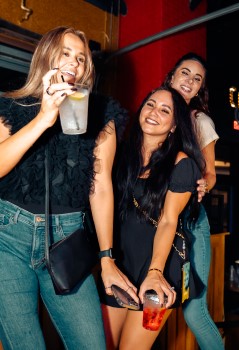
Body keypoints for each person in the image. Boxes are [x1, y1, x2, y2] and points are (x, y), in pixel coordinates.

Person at [0, 26, 129, 349]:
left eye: (82, 58)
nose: (75, 62)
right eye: (66, 53)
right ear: (45, 56)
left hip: (68, 239)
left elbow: (100, 189)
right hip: (7, 237)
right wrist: (44, 117)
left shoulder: (102, 116)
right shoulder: (11, 106)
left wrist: (107, 257)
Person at [99, 86, 205, 349]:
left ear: (174, 126)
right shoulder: (119, 153)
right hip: (119, 266)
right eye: (150, 104)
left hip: (159, 271)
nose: (154, 112)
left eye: (164, 110)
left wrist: (155, 272)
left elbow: (169, 220)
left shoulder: (182, 165)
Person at [163, 52, 224, 350]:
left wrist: (203, 184)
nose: (189, 81)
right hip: (156, 220)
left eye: (197, 78)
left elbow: (211, 173)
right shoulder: (155, 111)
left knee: (194, 311)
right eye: (185, 73)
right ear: (172, 75)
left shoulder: (199, 120)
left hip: (190, 222)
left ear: (200, 88)